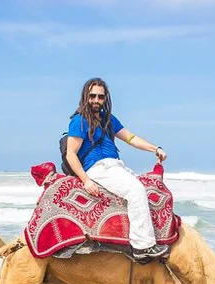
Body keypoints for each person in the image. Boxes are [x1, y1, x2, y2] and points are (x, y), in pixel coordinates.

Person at [65, 78, 169, 261]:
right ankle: (142, 247)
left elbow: (130, 138)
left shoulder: (108, 119)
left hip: (115, 166)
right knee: (135, 190)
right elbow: (71, 154)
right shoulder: (79, 121)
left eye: (100, 97)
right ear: (85, 97)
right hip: (99, 167)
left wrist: (155, 148)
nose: (96, 100)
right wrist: (86, 180)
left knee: (148, 189)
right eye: (92, 96)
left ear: (106, 98)